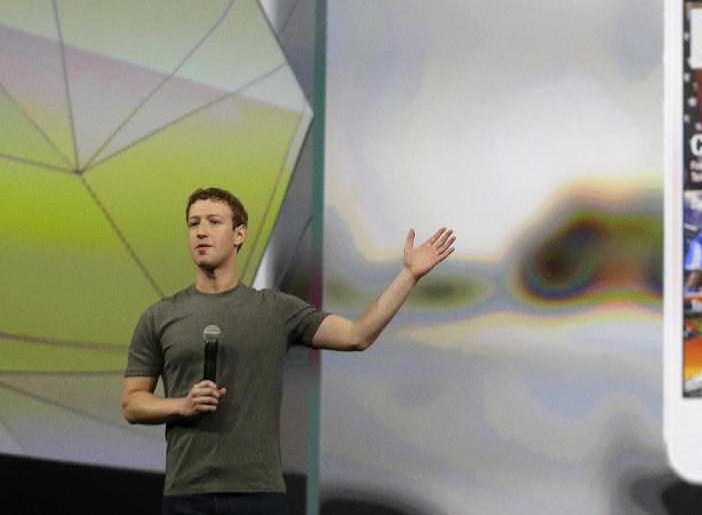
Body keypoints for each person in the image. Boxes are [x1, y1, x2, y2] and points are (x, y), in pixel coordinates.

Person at [122, 187, 455, 514]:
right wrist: (181, 405)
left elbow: (357, 335)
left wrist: (408, 275)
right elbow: (133, 403)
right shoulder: (160, 316)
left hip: (258, 493)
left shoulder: (274, 309)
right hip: (187, 493)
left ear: (239, 234)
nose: (201, 232)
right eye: (194, 223)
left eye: (213, 221)